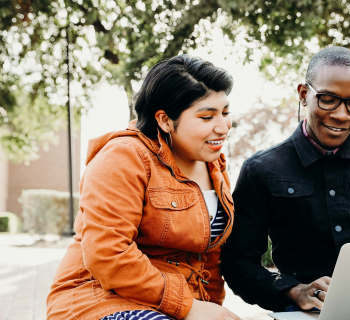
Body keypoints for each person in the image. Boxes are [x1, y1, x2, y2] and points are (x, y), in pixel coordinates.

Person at [221, 46, 350, 313]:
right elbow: (237, 263)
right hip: (299, 313)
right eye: (328, 99)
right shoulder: (261, 170)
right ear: (304, 94)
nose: (342, 115)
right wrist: (293, 290)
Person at [47, 55, 241, 320]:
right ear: (164, 119)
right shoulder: (124, 157)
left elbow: (209, 259)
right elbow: (108, 254)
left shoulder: (214, 165)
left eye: (226, 113)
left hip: (177, 303)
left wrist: (213, 310)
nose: (223, 126)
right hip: (102, 297)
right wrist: (190, 307)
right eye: (207, 117)